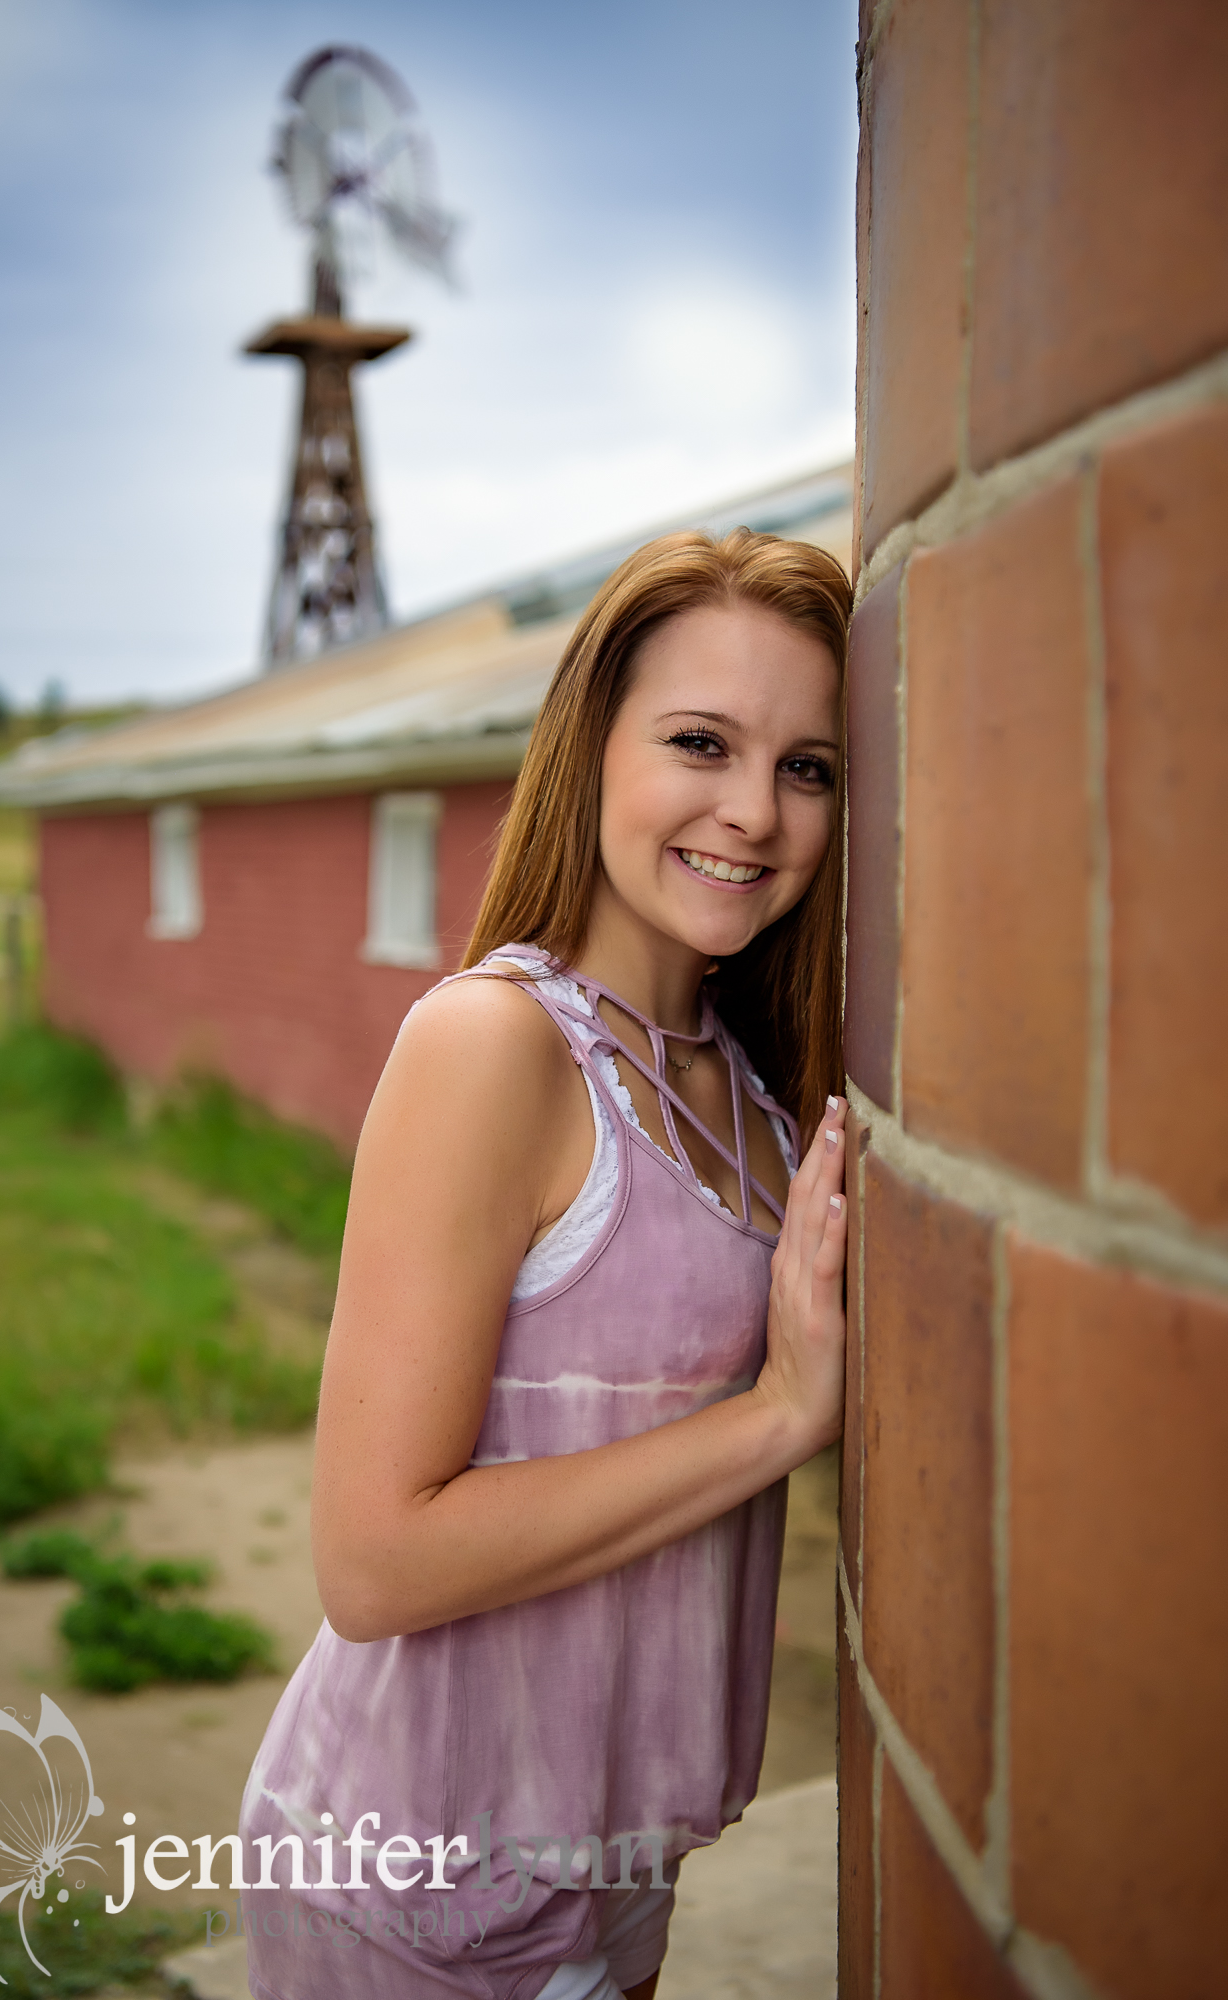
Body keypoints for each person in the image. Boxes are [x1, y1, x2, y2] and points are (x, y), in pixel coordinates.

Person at [238, 527, 851, 2000]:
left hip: (615, 1859)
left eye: (810, 768)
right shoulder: (495, 1044)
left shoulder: (750, 1093)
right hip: (417, 1875)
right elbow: (375, 1561)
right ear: (592, 749)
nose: (753, 813)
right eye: (700, 742)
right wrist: (775, 1417)